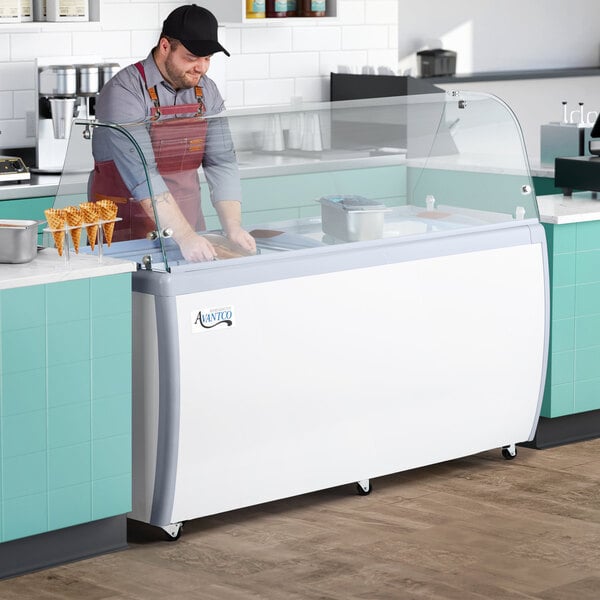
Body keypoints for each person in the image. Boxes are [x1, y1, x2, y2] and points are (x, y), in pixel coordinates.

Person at [90, 4, 256, 261]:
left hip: (190, 230)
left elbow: (221, 161)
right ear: (165, 46)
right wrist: (185, 236)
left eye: (208, 58)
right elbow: (142, 175)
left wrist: (232, 227)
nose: (201, 67)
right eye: (192, 57)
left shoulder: (207, 91)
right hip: (127, 233)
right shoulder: (124, 92)